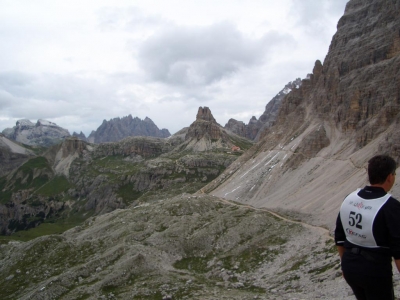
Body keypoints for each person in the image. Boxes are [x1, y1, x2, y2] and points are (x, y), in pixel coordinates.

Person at [335, 154, 400, 300]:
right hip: (375, 270)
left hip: (350, 266)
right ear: (390, 177)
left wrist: (344, 264)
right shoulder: (390, 206)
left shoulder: (350, 198)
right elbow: (398, 249)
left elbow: (339, 237)